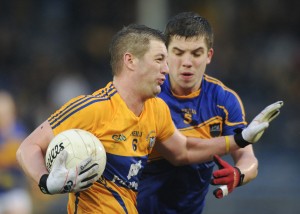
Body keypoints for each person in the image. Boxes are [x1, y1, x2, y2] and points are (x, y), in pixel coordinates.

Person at [16, 24, 283, 214]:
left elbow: (183, 150)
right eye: (160, 60)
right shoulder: (92, 108)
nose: (167, 68)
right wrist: (44, 182)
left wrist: (239, 139)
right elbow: (28, 147)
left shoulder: (156, 110)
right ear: (130, 61)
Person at [0, 90, 32, 214]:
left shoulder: (19, 130)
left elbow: (19, 156)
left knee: (18, 208)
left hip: (15, 191)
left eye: (5, 113)